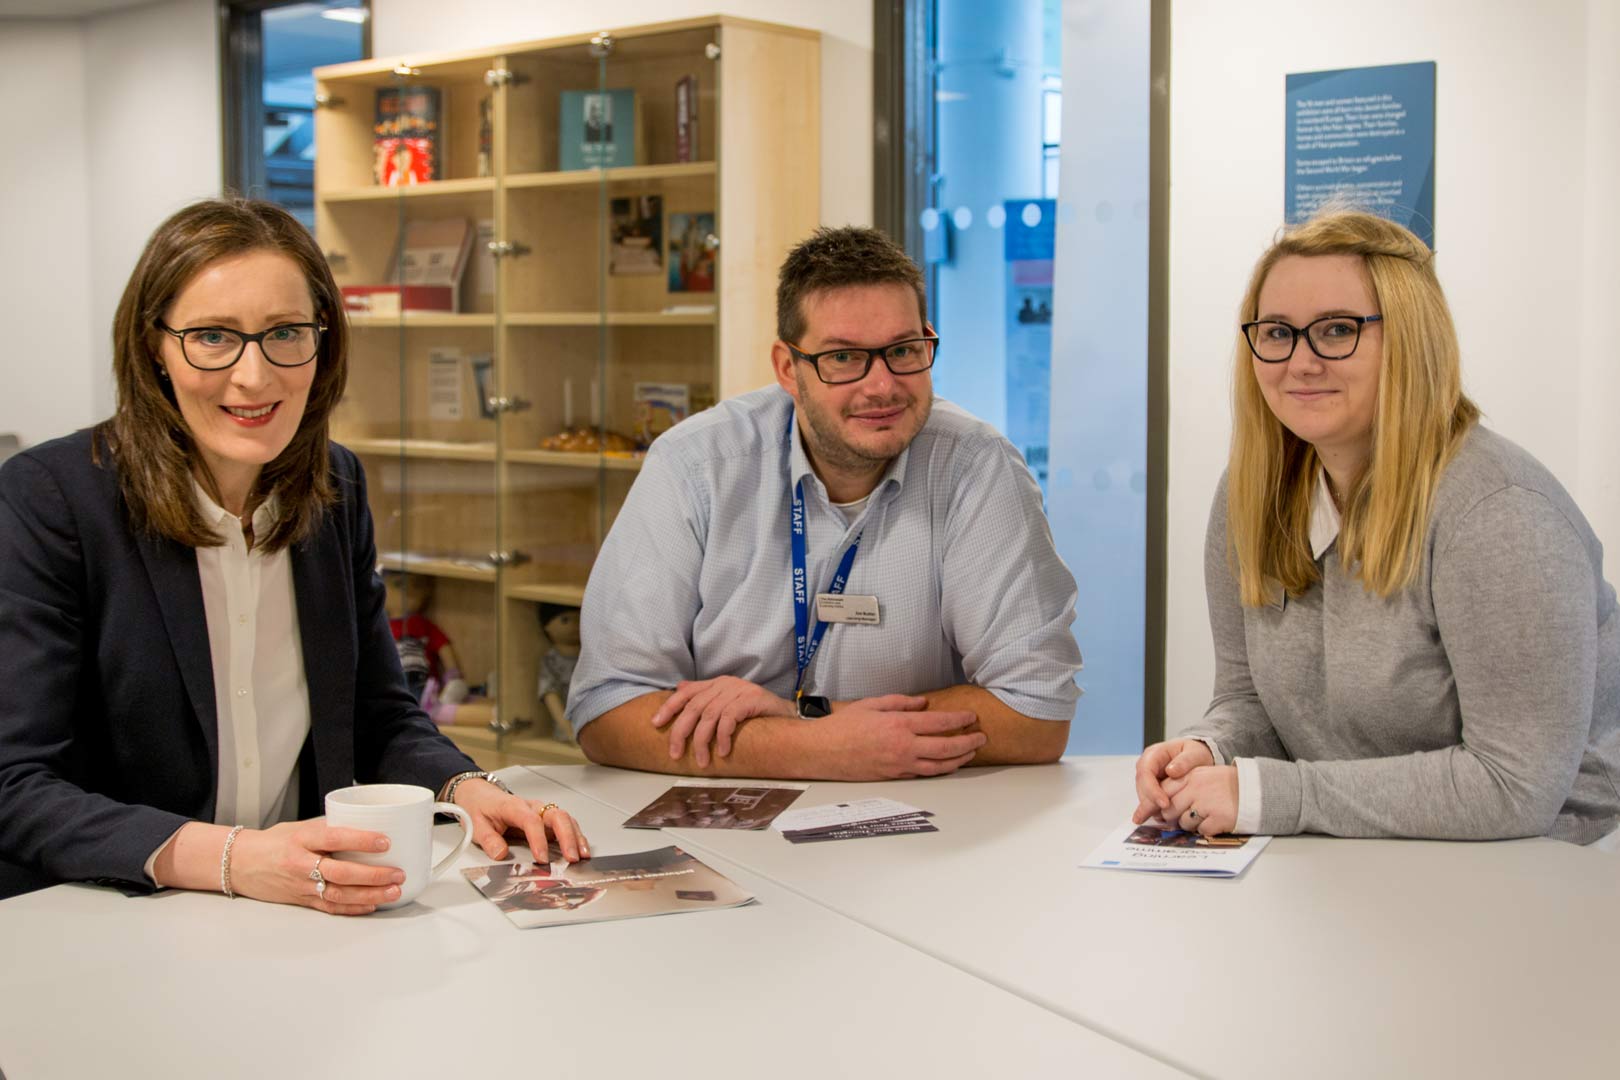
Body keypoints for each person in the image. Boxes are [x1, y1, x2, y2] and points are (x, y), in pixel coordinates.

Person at [0, 198, 587, 908]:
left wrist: (464, 788)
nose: (255, 376)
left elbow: (378, 712)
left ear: (323, 341)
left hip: (300, 918)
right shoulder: (51, 501)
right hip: (111, 919)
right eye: (213, 337)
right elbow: (16, 782)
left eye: (284, 333)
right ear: (154, 346)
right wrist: (232, 859)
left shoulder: (334, 485)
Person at [1133, 209, 1619, 844]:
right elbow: (1251, 702)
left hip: (1543, 873)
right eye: (1277, 332)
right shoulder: (1248, 495)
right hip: (1361, 853)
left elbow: (1516, 786)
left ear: (1411, 340)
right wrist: (1213, 751)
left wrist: (1269, 794)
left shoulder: (1500, 511)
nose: (1300, 361)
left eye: (1337, 330)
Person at [568, 225, 1083, 780]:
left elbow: (1036, 713)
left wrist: (807, 715)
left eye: (904, 350)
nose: (883, 385)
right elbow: (608, 708)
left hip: (924, 825)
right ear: (789, 368)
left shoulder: (976, 467)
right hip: (731, 831)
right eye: (843, 358)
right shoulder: (696, 466)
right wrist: (817, 746)